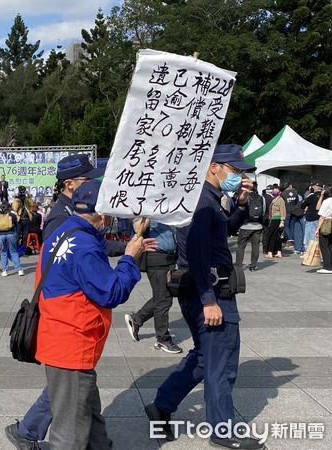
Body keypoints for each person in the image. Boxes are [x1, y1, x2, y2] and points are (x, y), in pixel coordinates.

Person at [144, 144, 263, 450]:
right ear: (214, 167)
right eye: (235, 171)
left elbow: (223, 234)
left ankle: (162, 404)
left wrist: (240, 204)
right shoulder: (202, 202)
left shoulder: (208, 198)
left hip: (202, 287)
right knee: (221, 362)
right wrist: (209, 300)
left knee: (203, 356)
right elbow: (197, 253)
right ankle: (223, 431)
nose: (239, 176)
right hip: (208, 289)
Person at [6, 154, 128, 448]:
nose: (93, 183)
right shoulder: (64, 221)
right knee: (70, 420)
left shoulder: (68, 218)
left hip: (64, 332)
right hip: (69, 331)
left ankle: (36, 432)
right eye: (88, 180)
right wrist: (131, 259)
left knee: (82, 403)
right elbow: (103, 286)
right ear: (70, 184)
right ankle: (27, 431)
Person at [32, 180, 155, 449]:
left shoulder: (65, 228)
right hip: (71, 341)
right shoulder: (86, 246)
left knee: (88, 410)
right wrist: (129, 258)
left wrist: (132, 239)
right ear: (102, 213)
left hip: (57, 333)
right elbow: (111, 293)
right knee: (70, 433)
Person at [125, 220, 181, 353]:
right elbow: (137, 227)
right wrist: (149, 214)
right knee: (163, 300)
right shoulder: (148, 208)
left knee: (162, 297)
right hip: (156, 258)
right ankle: (162, 339)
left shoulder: (169, 209)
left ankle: (136, 319)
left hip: (169, 258)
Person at [235, 181, 266, 271]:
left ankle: (238, 266)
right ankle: (253, 266)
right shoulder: (261, 198)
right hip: (258, 226)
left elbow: (238, 210)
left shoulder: (243, 196)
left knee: (241, 246)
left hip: (245, 225)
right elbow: (263, 211)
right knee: (255, 246)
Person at [0, 202, 24, 277]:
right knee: (13, 251)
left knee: (3, 252)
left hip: (0, 235)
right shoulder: (12, 215)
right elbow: (18, 226)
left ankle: (4, 270)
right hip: (11, 234)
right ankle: (19, 269)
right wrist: (17, 234)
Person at [264, 184, 286, 259]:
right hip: (272, 219)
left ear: (279, 191)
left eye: (276, 189)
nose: (274, 190)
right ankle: (278, 251)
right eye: (273, 189)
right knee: (276, 236)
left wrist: (282, 221)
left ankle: (270, 252)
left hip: (277, 219)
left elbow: (283, 211)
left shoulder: (280, 200)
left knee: (272, 235)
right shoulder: (274, 199)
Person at [302, 182, 324, 250]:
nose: (312, 188)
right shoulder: (326, 197)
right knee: (319, 239)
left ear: (317, 188)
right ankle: (319, 255)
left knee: (310, 239)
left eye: (313, 187)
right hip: (322, 219)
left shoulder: (312, 196)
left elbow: (303, 206)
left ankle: (310, 255)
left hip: (311, 219)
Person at [315, 187, 332, 274]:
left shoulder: (326, 201)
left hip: (326, 223)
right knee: (330, 245)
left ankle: (327, 266)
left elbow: (322, 216)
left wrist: (317, 229)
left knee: (324, 245)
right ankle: (330, 265)